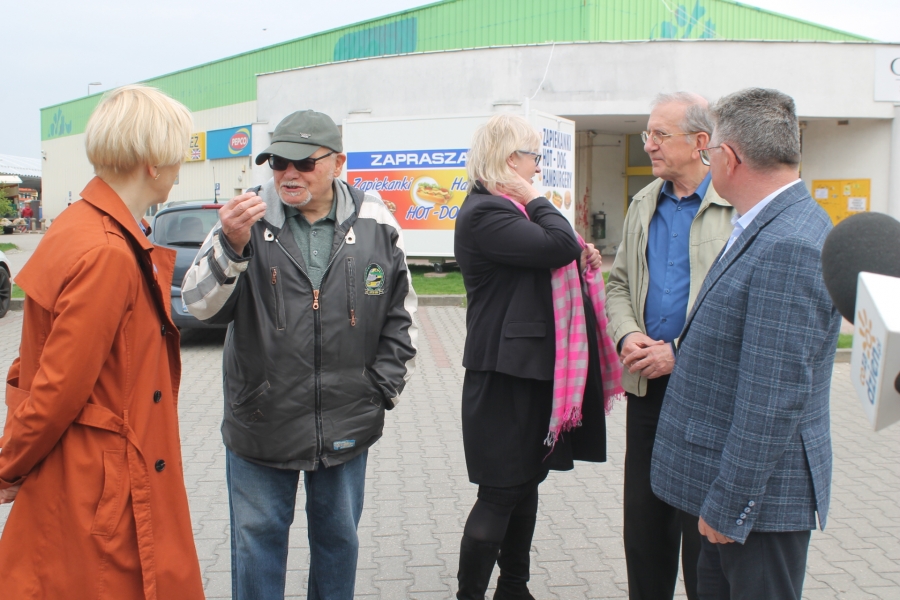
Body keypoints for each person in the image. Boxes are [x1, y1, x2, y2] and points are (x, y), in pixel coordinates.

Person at [182, 109, 417, 600]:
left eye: (304, 163)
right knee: (257, 546)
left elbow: (402, 313)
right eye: (278, 162)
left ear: (338, 163)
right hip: (260, 421)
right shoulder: (245, 217)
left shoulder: (376, 220)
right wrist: (231, 247)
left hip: (347, 420)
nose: (289, 174)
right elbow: (198, 304)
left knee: (338, 543)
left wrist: (380, 388)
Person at [0, 85, 204, 599]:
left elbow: (33, 366)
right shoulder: (109, 251)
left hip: (84, 474)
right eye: (177, 154)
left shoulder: (79, 223)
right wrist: (7, 465)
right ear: (153, 163)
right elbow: (58, 388)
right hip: (102, 489)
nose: (180, 168)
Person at [650, 88, 841, 600]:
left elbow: (773, 397)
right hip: (735, 494)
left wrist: (729, 504)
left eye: (711, 151)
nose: (708, 161)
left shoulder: (789, 244)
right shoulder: (772, 221)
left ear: (730, 157)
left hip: (755, 507)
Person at [453, 113, 622, 599]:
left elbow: (557, 252)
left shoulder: (508, 212)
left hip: (530, 371)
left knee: (525, 483)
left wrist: (579, 256)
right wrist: (536, 200)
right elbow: (557, 243)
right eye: (534, 158)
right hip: (503, 375)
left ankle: (514, 587)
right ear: (511, 160)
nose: (538, 168)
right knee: (500, 492)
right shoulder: (486, 212)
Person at [605, 92, 734, 600]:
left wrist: (678, 351)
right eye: (648, 134)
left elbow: (733, 305)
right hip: (646, 387)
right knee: (644, 527)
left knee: (701, 536)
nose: (649, 144)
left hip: (703, 393)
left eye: (660, 134)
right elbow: (619, 284)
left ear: (701, 141)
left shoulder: (733, 206)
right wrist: (627, 333)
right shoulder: (644, 202)